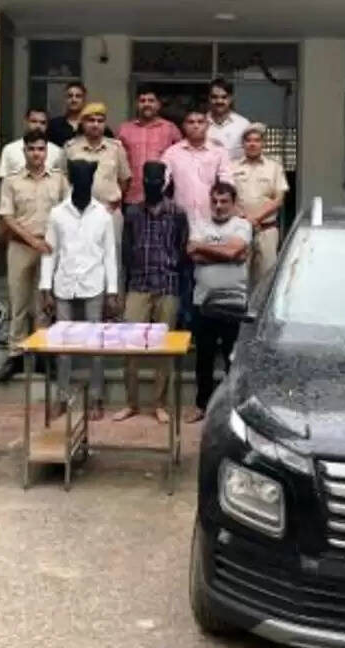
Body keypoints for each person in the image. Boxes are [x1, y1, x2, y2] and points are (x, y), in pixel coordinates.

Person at [39, 159, 119, 420]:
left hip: (94, 284)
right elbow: (49, 252)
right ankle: (62, 397)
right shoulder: (57, 214)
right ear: (72, 181)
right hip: (64, 284)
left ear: (92, 181)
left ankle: (96, 398)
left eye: (88, 179)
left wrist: (112, 291)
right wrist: (45, 288)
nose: (84, 183)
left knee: (96, 345)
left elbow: (109, 254)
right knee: (63, 345)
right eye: (79, 179)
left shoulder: (103, 215)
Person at [114, 162, 188, 424]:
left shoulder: (178, 213)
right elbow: (126, 251)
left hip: (168, 284)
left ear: (164, 182)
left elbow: (182, 248)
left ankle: (160, 404)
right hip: (138, 285)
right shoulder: (133, 212)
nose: (152, 185)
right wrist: (124, 287)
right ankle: (131, 403)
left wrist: (173, 269)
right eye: (147, 180)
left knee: (164, 349)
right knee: (129, 345)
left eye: (156, 181)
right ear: (142, 181)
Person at [0, 131, 68, 381]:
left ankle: (43, 354)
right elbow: (7, 217)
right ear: (24, 151)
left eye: (41, 149)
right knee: (19, 302)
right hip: (21, 246)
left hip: (49, 249)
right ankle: (15, 354)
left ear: (46, 152)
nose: (36, 154)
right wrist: (32, 240)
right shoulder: (12, 181)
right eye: (32, 149)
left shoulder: (58, 179)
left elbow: (67, 211)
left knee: (44, 304)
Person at [188, 182, 252, 421]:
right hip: (203, 302)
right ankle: (201, 406)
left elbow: (234, 252)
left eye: (224, 201)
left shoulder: (242, 225)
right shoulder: (199, 224)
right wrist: (228, 254)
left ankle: (233, 409)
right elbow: (193, 254)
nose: (218, 206)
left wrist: (204, 247)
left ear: (234, 204)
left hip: (234, 304)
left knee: (232, 359)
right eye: (214, 201)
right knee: (203, 358)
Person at [64, 103, 131, 271]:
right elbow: (64, 180)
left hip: (110, 212)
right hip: (80, 214)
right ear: (82, 123)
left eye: (100, 121)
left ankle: (112, 289)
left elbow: (125, 179)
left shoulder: (116, 148)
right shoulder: (71, 148)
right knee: (81, 259)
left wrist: (115, 199)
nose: (95, 124)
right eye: (91, 120)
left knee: (112, 260)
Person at [232, 123, 289, 292]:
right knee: (239, 277)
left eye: (257, 140)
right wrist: (245, 220)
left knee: (267, 276)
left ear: (263, 143)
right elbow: (227, 197)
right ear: (243, 144)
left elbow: (278, 199)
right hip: (239, 230)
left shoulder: (274, 167)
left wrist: (255, 219)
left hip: (267, 230)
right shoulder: (232, 167)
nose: (252, 144)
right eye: (248, 140)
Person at [161, 108, 234, 226]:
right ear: (184, 126)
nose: (196, 126)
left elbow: (227, 182)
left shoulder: (219, 152)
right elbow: (161, 181)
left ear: (207, 125)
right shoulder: (172, 153)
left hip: (212, 217)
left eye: (200, 122)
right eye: (191, 122)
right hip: (181, 219)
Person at [117, 84, 182, 209]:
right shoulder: (124, 130)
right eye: (142, 101)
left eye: (151, 101)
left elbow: (181, 160)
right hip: (132, 197)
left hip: (162, 199)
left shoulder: (170, 129)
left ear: (158, 105)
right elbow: (117, 164)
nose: (146, 104)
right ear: (137, 104)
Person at [0, 108, 65, 178]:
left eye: (42, 123)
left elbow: (61, 179)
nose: (38, 126)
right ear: (25, 122)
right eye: (34, 121)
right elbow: (3, 179)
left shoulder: (57, 152)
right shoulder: (10, 149)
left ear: (47, 125)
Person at [47, 82, 115, 147]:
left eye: (78, 96)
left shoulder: (95, 125)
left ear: (84, 99)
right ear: (65, 99)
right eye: (70, 96)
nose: (73, 99)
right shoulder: (54, 125)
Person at [207, 77, 251, 162]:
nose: (219, 101)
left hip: (236, 170)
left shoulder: (243, 125)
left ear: (231, 98)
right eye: (214, 97)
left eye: (224, 97)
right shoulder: (200, 124)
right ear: (209, 98)